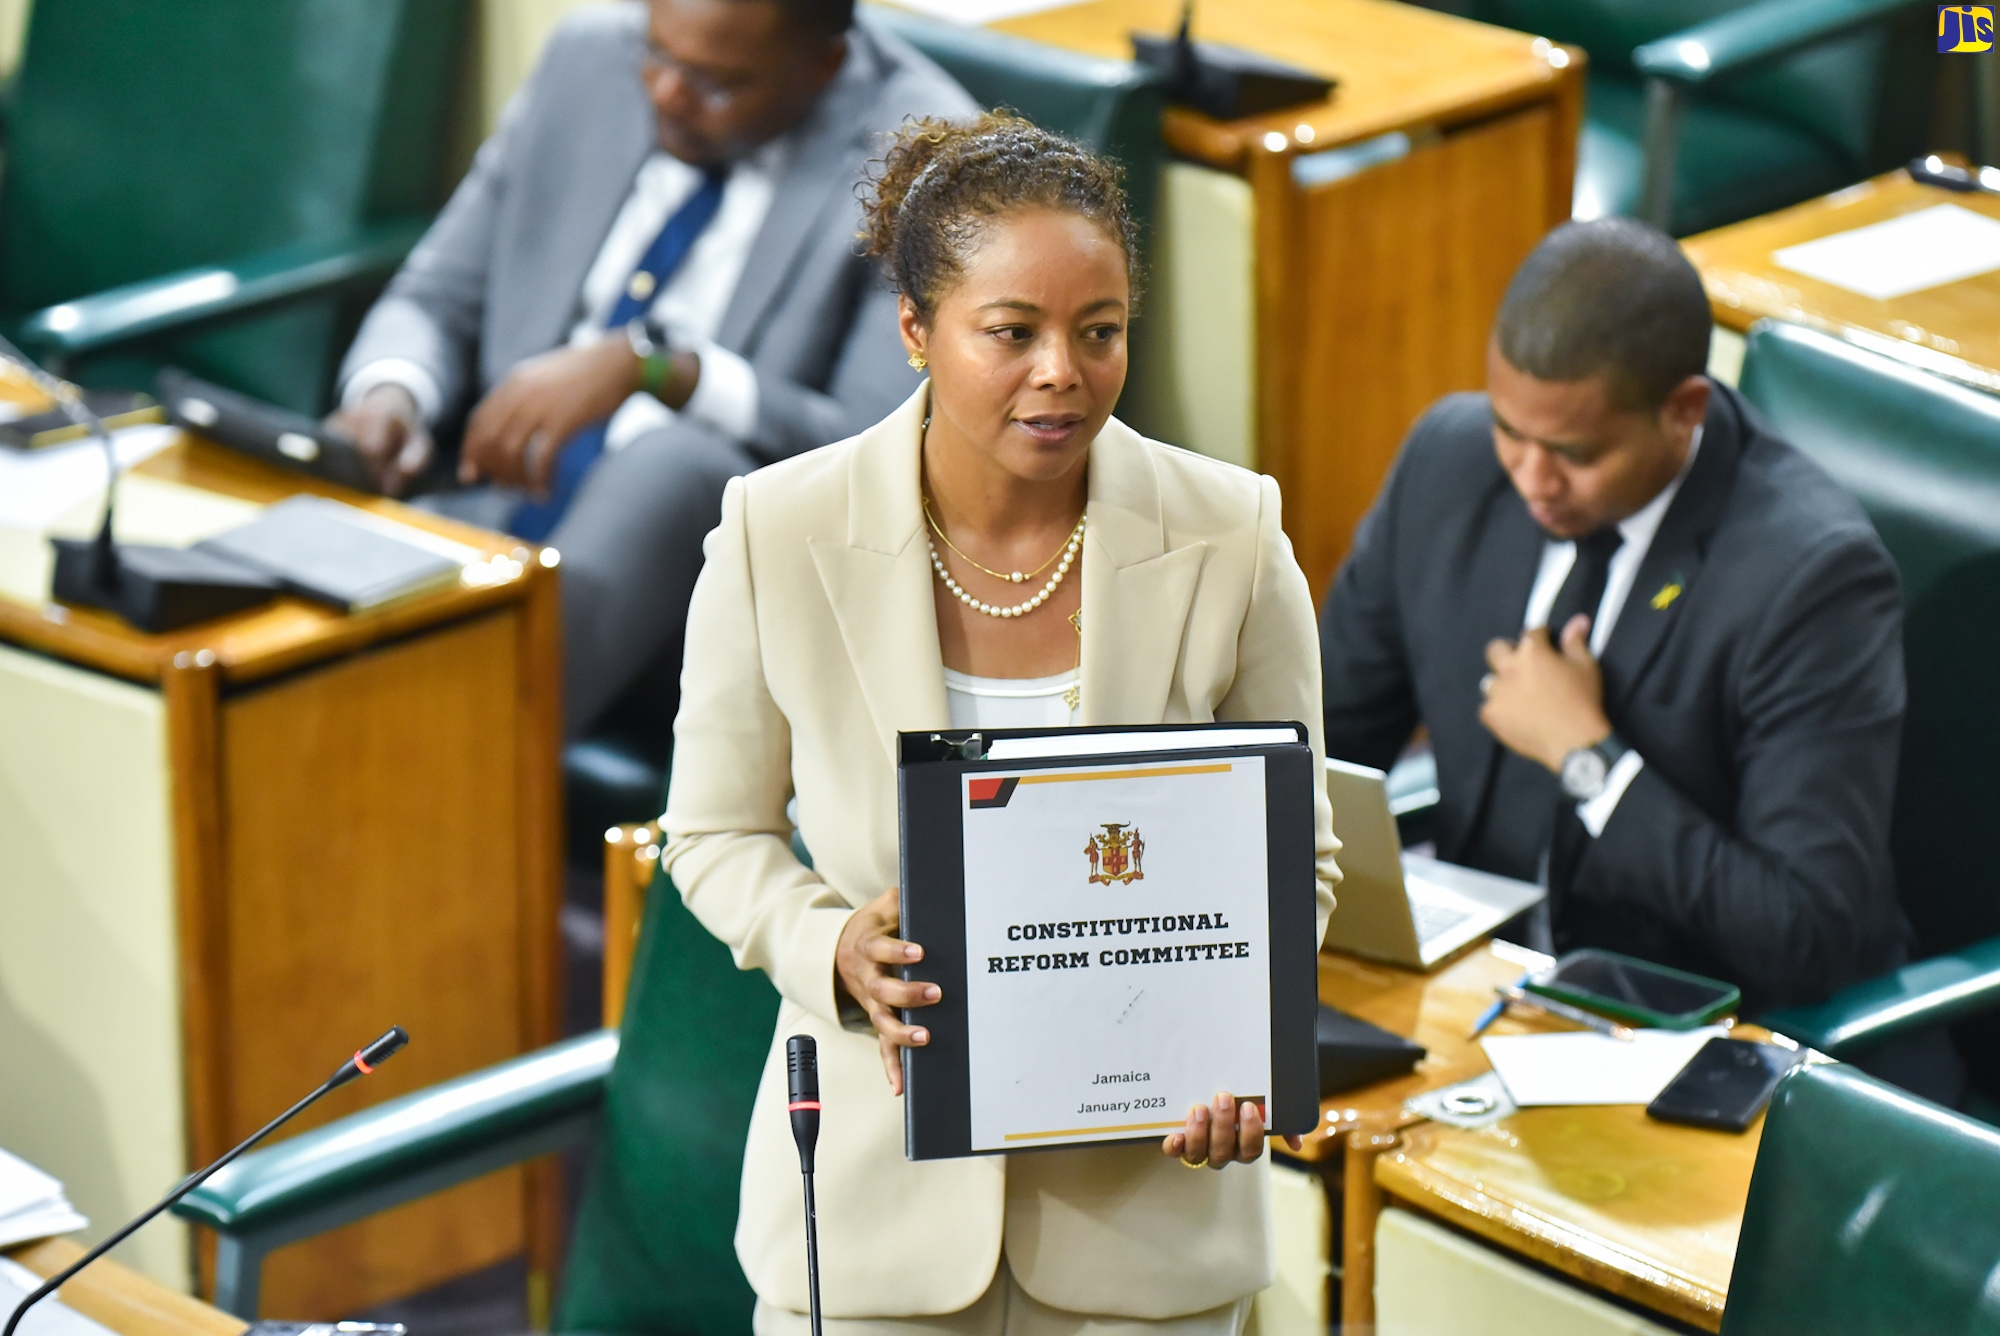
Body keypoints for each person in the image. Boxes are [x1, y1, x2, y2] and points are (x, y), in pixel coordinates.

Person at [662, 115, 1339, 1335]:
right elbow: (711, 835)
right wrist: (830, 950)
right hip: (874, 1222)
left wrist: (1245, 1034)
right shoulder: (775, 530)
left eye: (1099, 332)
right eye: (1010, 333)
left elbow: (1298, 855)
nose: (1060, 374)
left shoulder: (1233, 533)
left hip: (1152, 1220)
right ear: (916, 331)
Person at [1319, 219, 1918, 1027]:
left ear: (1684, 411)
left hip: (1696, 1030)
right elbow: (1320, 740)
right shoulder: (1448, 465)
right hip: (1477, 998)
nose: (1531, 481)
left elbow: (1804, 932)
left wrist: (1588, 761)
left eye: (1574, 451)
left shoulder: (1811, 580)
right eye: (1510, 430)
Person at [330, 0, 976, 736]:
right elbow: (436, 296)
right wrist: (392, 392)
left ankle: (447, 760)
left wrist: (667, 371)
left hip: (710, 599)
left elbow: (885, 452)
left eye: (718, 83)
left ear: (825, 66)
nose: (666, 92)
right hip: (483, 507)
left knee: (675, 465)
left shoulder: (927, 160)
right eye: (658, 53)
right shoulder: (589, 56)